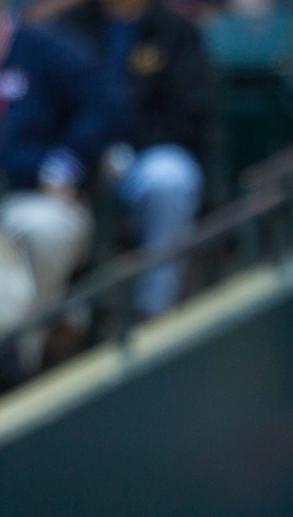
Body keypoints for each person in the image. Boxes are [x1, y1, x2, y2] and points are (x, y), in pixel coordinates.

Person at [56, 0, 208, 317]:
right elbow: (48, 110)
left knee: (171, 178)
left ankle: (154, 309)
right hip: (76, 158)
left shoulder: (174, 30)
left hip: (146, 156)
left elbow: (189, 118)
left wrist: (127, 148)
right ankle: (64, 321)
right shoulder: (66, 26)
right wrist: (86, 155)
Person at [0, 2, 126, 381]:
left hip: (34, 197)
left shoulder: (46, 50)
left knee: (42, 231)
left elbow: (107, 107)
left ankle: (24, 360)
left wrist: (67, 164)